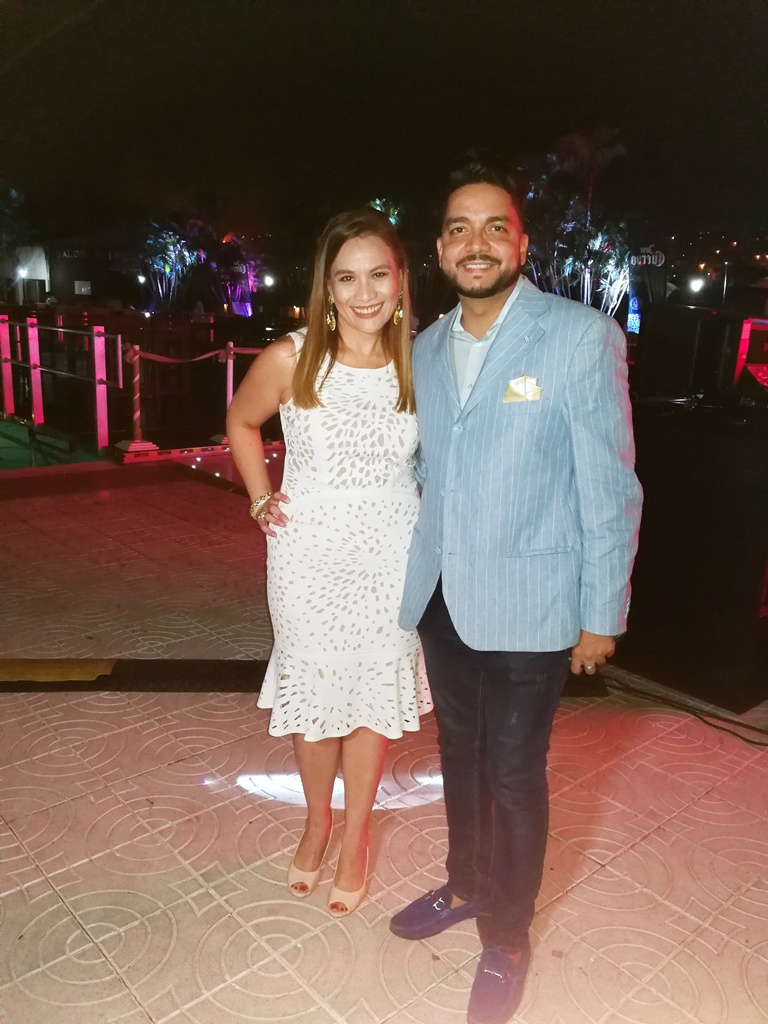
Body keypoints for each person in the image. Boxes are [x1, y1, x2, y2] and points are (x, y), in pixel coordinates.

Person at [390, 156, 643, 1024]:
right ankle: (466, 883)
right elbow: (430, 467)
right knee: (459, 755)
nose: (477, 243)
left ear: (521, 243)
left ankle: (506, 936)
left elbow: (609, 485)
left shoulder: (577, 336)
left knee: (512, 770)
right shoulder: (426, 346)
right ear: (439, 249)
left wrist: (600, 612)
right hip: (446, 600)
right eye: (459, 228)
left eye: (495, 226)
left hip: (533, 605)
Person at [226, 207, 431, 918]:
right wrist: (260, 496)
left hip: (392, 556)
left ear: (401, 280)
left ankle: (356, 837)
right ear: (327, 286)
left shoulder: (422, 362)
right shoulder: (293, 356)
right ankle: (318, 823)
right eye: (347, 278)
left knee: (372, 698)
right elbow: (241, 421)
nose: (364, 293)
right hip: (308, 557)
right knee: (315, 706)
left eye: (378, 275)